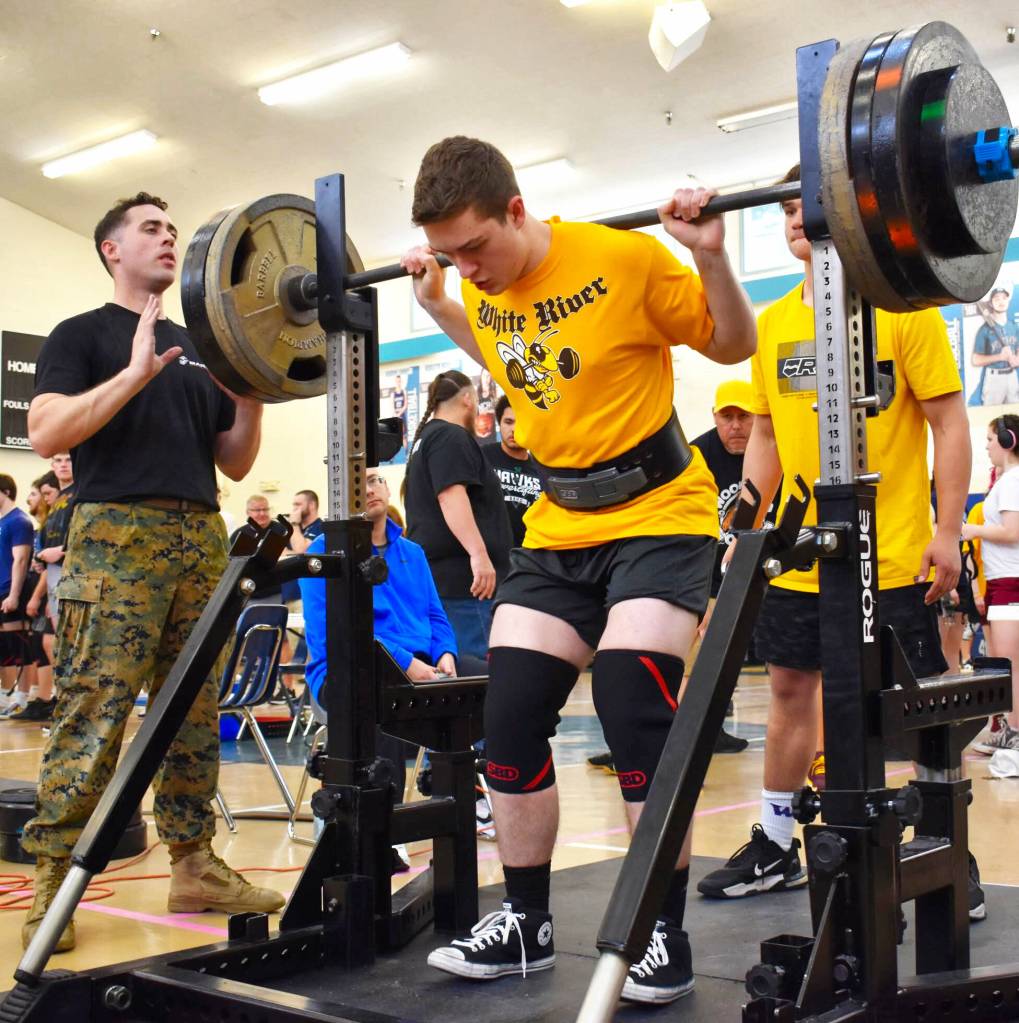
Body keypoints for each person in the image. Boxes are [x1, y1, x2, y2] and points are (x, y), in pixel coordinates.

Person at [400, 136, 755, 1003]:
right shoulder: (478, 289)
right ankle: (526, 922)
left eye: (475, 247)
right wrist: (439, 297)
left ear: (516, 210)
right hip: (559, 527)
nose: (470, 268)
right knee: (511, 715)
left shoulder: (622, 257)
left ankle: (657, 931)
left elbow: (728, 339)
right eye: (451, 254)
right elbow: (500, 354)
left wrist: (708, 255)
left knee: (634, 704)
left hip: (659, 514)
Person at [697, 165, 978, 917]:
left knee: (915, 715)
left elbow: (951, 424)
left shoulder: (903, 311)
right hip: (798, 559)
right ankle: (775, 838)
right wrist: (747, 526)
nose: (795, 218)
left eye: (807, 205)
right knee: (789, 694)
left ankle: (947, 851)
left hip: (891, 556)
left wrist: (948, 530)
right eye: (786, 208)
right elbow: (763, 432)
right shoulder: (775, 323)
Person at [21, 190, 280, 954]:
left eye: (172, 228)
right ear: (112, 249)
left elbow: (232, 458)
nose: (168, 239)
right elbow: (44, 433)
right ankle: (50, 879)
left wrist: (250, 400)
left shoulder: (204, 344)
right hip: (113, 537)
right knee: (94, 711)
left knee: (195, 712)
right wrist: (133, 374)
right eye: (151, 229)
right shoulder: (81, 335)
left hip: (200, 532)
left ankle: (194, 861)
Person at [298, 469, 486, 811]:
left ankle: (467, 800)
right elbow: (337, 634)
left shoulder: (412, 552)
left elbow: (435, 614)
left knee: (490, 683)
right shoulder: (322, 553)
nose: (369, 489)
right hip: (349, 669)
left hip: (420, 663)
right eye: (359, 482)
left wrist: (445, 653)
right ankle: (382, 823)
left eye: (375, 480)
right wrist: (405, 663)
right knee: (380, 698)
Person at [404, 369, 513, 660]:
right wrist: (479, 556)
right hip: (465, 584)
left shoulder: (426, 439)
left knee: (454, 668)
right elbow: (451, 496)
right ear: (468, 398)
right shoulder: (450, 436)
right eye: (476, 402)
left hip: (447, 580)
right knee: (473, 671)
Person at [961, 415, 1019, 754]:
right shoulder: (1005, 482)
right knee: (1001, 663)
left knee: (1010, 665)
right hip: (1001, 581)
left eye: (989, 439)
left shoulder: (1012, 482)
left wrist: (974, 530)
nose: (986, 446)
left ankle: (1013, 731)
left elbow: (1012, 532)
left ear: (1008, 440)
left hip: (1011, 582)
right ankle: (1007, 729)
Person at [482, 394, 541, 548]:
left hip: (528, 557)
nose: (514, 429)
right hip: (489, 557)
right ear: (499, 424)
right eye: (508, 422)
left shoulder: (542, 469)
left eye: (521, 422)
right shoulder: (482, 457)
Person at [0, 475, 35, 703]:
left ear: (5, 492)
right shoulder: (3, 521)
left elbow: (20, 560)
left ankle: (22, 696)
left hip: (11, 590)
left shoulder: (19, 521)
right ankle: (5, 695)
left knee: (17, 645)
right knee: (3, 646)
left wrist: (13, 594)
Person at [971, 287, 1019, 406]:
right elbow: (975, 360)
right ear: (991, 304)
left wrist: (1017, 359)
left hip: (1012, 376)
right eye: (996, 299)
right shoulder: (984, 330)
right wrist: (1000, 357)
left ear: (1008, 301)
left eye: (1004, 298)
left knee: (1015, 416)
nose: (1001, 301)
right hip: (994, 379)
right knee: (992, 416)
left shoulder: (1014, 326)